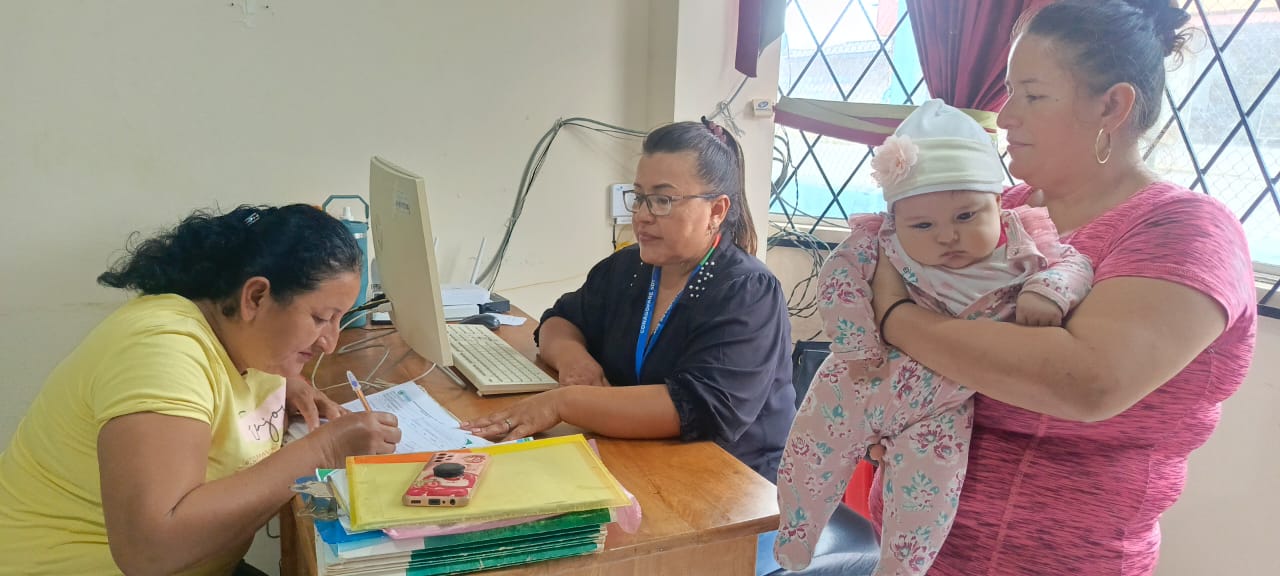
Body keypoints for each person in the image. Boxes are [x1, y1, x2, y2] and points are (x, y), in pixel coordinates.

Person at [863, 1, 1256, 574]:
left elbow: (1087, 382)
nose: (1005, 116)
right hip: (906, 544)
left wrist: (897, 317)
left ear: (1112, 105)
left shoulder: (1183, 229)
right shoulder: (994, 211)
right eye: (1008, 91)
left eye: (1033, 95)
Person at [774, 99, 1094, 574]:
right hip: (858, 379)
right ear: (896, 219)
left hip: (942, 404)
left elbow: (1076, 265)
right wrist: (856, 342)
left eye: (966, 216)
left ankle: (900, 569)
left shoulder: (1026, 246)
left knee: (929, 494)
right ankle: (796, 534)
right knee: (811, 456)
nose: (947, 236)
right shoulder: (879, 242)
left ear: (998, 204)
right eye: (923, 225)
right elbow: (838, 279)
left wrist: (1046, 292)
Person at [0, 205, 403, 575]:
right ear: (256, 297)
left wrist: (290, 384)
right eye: (320, 318)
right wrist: (323, 450)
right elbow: (149, 551)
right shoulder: (161, 351)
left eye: (339, 319)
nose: (330, 342)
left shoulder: (248, 341)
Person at [461, 118, 796, 481]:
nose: (642, 216)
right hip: (636, 459)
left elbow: (698, 408)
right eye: (639, 198)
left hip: (730, 483)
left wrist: (563, 403)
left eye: (663, 200)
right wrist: (574, 359)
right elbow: (560, 320)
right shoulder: (630, 266)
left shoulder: (746, 291)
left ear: (717, 210)